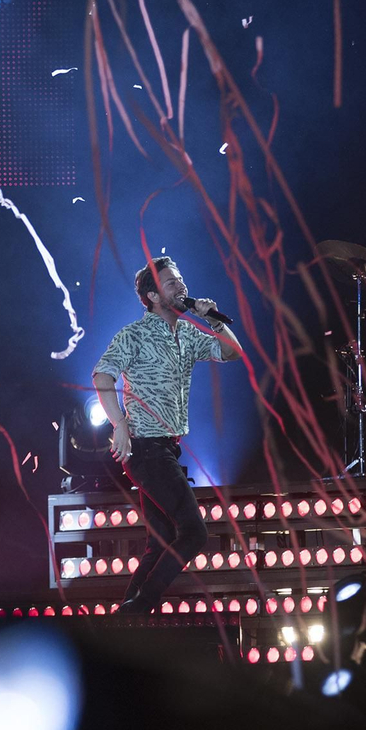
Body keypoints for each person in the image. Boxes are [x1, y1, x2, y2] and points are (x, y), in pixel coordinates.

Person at [92, 256, 241, 614]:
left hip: (166, 450)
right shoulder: (135, 334)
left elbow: (232, 352)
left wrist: (210, 319)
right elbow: (102, 377)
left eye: (181, 279)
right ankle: (139, 609)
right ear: (154, 297)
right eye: (172, 283)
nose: (182, 287)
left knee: (159, 545)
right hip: (145, 449)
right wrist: (120, 423)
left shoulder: (188, 334)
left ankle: (125, 619)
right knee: (194, 533)